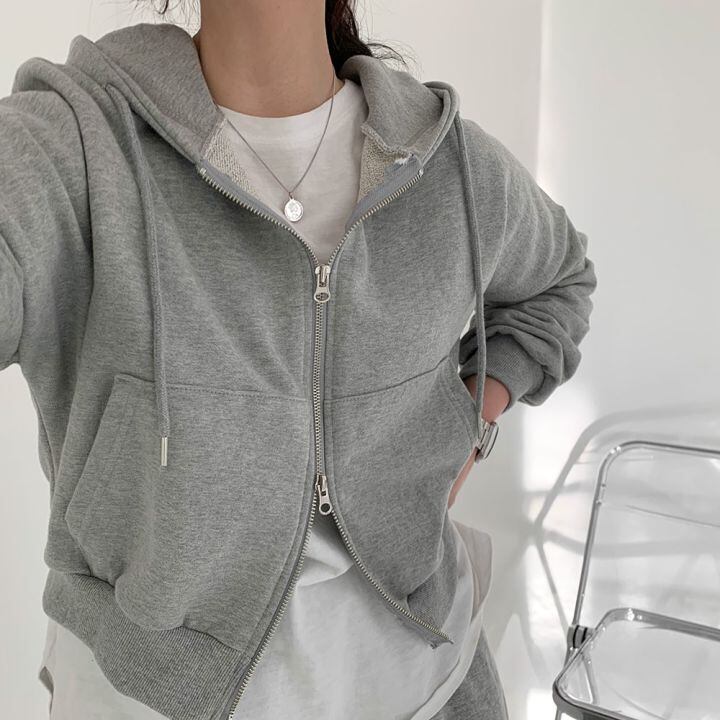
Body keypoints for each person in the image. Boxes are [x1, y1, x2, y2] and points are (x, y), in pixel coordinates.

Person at [0, 1, 597, 718]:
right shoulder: (73, 143)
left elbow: (558, 284)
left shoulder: (449, 167)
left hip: (425, 679)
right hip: (142, 690)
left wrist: (474, 416)